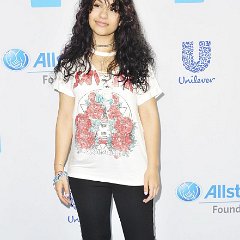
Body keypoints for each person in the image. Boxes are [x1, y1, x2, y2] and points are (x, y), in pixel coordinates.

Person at [51, 0, 164, 239]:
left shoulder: (138, 63)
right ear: (87, 11)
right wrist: (59, 170)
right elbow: (64, 119)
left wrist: (153, 167)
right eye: (97, 5)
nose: (103, 14)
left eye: (113, 9)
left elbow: (150, 117)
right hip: (85, 173)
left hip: (133, 172)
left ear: (123, 18)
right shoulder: (72, 63)